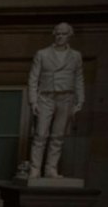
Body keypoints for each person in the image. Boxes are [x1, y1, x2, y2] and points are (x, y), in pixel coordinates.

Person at [28, 22, 84, 178]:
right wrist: (33, 101)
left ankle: (51, 168)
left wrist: (80, 100)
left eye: (64, 34)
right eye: (58, 33)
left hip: (66, 98)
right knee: (40, 134)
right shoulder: (42, 54)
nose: (60, 36)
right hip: (46, 97)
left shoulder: (76, 56)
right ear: (54, 34)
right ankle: (35, 168)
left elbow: (78, 78)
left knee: (58, 136)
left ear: (69, 35)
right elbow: (33, 78)